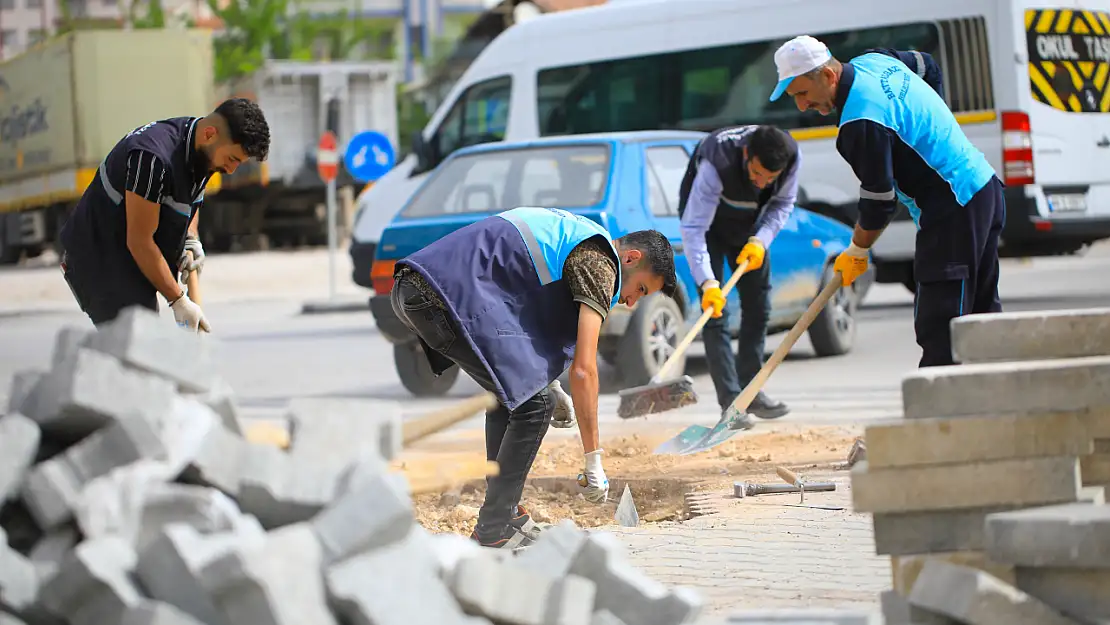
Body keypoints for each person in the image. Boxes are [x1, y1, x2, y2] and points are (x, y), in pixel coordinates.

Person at [391, 206, 678, 549]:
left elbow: (521, 315)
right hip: (437, 296)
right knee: (534, 404)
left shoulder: (582, 239)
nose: (632, 303)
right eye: (642, 289)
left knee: (517, 396)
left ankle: (504, 515)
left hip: (422, 290)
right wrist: (593, 461)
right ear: (630, 259)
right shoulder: (601, 263)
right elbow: (585, 370)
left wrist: (551, 384)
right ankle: (495, 528)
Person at [769, 35, 1004, 367]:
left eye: (803, 94)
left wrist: (858, 250)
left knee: (943, 325)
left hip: (954, 205)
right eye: (794, 97)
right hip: (983, 186)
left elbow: (880, 200)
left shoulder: (860, 123)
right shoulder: (876, 60)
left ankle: (937, 411)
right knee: (983, 313)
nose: (802, 106)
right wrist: (934, 128)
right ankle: (995, 403)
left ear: (828, 75)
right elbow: (929, 66)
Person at [58, 98, 271, 331]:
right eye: (232, 160)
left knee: (143, 352)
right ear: (210, 134)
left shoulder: (202, 149)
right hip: (98, 260)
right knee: (140, 349)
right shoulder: (152, 159)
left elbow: (191, 198)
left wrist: (190, 238)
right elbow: (140, 241)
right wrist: (178, 300)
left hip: (130, 258)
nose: (231, 170)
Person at [678, 125, 801, 427]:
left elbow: (783, 203)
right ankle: (732, 404)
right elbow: (694, 229)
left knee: (759, 308)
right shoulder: (715, 164)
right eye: (757, 174)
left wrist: (761, 239)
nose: (761, 183)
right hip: (707, 229)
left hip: (750, 229)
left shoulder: (791, 158)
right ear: (747, 154)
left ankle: (751, 392)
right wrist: (708, 283)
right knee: (715, 313)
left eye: (769, 179)